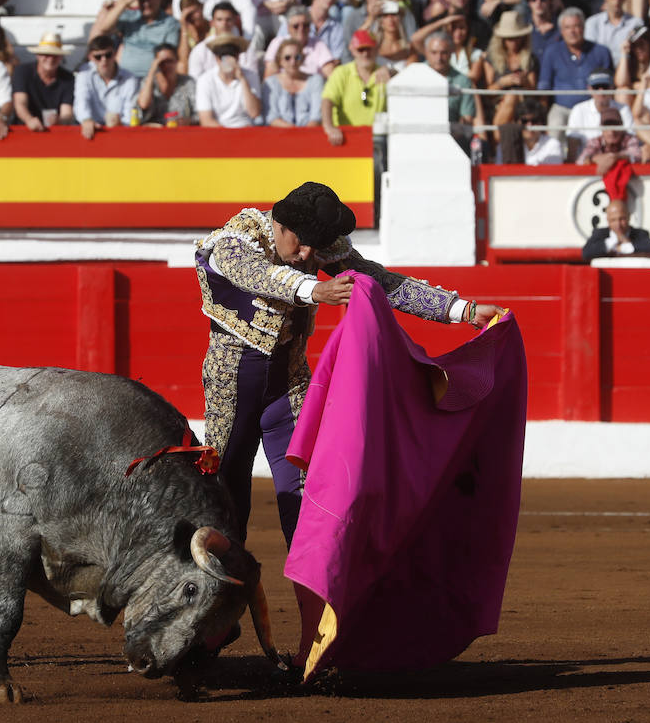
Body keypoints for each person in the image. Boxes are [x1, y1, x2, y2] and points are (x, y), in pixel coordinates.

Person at [194, 180, 503, 553]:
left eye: (314, 247)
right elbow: (257, 275)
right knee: (224, 492)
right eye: (301, 243)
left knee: (309, 493)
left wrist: (461, 310)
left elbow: (381, 281)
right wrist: (315, 290)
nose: (307, 255)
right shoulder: (235, 241)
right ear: (281, 224)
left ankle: (320, 606)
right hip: (232, 384)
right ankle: (220, 604)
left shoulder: (311, 248)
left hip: (289, 384)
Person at [538, 6, 613, 133]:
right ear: (561, 31)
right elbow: (544, 87)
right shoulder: (552, 52)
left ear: (583, 28)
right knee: (555, 128)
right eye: (567, 27)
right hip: (562, 108)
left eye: (576, 26)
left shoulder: (601, 52)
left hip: (593, 107)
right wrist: (542, 117)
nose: (572, 31)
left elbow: (610, 85)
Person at [91, 0, 180, 80]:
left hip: (153, 79)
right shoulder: (130, 17)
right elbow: (104, 28)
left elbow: (169, 55)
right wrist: (124, 3)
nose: (145, 4)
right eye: (141, 0)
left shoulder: (171, 23)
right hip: (125, 79)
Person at [320, 28, 388, 145]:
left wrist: (393, 71)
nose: (365, 54)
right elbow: (327, 101)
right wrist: (329, 127)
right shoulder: (342, 73)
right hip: (345, 140)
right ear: (352, 50)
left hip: (376, 141)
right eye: (360, 49)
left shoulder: (384, 74)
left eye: (369, 49)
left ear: (376, 50)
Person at [74, 33, 139, 140]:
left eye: (108, 55)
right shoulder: (84, 74)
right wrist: (86, 120)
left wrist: (119, 125)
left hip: (120, 135)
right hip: (91, 132)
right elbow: (81, 100)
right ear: (90, 57)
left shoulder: (130, 79)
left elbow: (130, 114)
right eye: (98, 57)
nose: (104, 60)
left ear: (115, 53)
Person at [12, 32, 75, 130]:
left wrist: (59, 121)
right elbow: (20, 103)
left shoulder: (68, 78)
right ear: (38, 56)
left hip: (54, 133)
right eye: (46, 54)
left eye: (55, 55)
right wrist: (29, 119)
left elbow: (67, 113)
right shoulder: (22, 72)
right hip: (24, 130)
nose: (50, 59)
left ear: (61, 57)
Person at [196, 34, 261, 128]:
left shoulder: (251, 76)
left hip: (246, 130)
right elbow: (206, 120)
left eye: (232, 55)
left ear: (238, 57)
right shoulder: (205, 80)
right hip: (218, 133)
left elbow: (254, 112)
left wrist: (242, 79)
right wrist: (229, 135)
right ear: (217, 59)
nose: (227, 60)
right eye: (223, 56)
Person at [566, 67, 633, 156]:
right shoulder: (578, 110)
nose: (601, 92)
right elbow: (572, 143)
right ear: (589, 89)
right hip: (587, 163)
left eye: (605, 87)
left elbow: (631, 137)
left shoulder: (624, 109)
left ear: (612, 87)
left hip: (618, 159)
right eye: (596, 87)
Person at [264, 37, 323, 127]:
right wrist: (294, 132)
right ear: (280, 60)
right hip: (280, 135)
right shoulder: (270, 83)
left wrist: (302, 135)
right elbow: (271, 117)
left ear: (302, 58)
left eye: (297, 57)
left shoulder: (315, 81)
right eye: (287, 58)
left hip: (309, 134)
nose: (293, 62)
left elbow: (316, 116)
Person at [132, 41, 194, 125]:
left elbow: (200, 113)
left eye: (170, 61)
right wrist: (151, 73)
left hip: (180, 132)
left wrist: (188, 121)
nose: (166, 65)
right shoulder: (149, 82)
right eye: (162, 62)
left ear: (176, 61)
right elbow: (143, 105)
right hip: (153, 132)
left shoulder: (188, 82)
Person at [584, 0, 640, 65]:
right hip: (599, 71)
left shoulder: (636, 23)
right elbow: (590, 55)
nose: (617, 0)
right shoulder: (592, 23)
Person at [581, 199, 650, 258]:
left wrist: (625, 244)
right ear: (608, 220)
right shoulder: (600, 234)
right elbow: (586, 253)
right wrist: (611, 243)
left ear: (628, 217)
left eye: (622, 219)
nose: (618, 224)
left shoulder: (640, 234)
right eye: (613, 220)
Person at [498, 96, 563, 163]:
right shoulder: (506, 145)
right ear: (516, 123)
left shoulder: (553, 144)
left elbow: (553, 172)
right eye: (524, 121)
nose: (529, 125)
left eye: (534, 121)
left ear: (542, 123)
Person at [575, 107, 640, 169]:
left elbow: (637, 157)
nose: (611, 132)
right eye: (607, 126)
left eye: (615, 126)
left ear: (621, 126)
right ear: (601, 129)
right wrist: (593, 159)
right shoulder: (595, 141)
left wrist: (615, 157)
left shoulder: (630, 139)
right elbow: (580, 161)